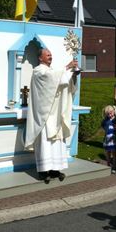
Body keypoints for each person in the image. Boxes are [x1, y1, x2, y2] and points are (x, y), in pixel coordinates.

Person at [24, 48, 79, 184]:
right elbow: (51, 79)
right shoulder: (39, 71)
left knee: (56, 143)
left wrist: (73, 75)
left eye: (51, 55)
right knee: (45, 142)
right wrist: (67, 67)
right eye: (47, 55)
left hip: (55, 112)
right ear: (40, 58)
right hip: (45, 114)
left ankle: (55, 170)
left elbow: (61, 83)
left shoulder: (52, 71)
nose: (50, 56)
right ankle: (43, 171)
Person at [101, 105, 116, 173]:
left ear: (114, 112)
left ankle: (114, 166)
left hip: (114, 139)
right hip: (107, 139)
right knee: (107, 152)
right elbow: (103, 125)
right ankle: (108, 164)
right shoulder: (105, 120)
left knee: (114, 153)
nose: (109, 115)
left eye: (111, 113)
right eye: (108, 114)